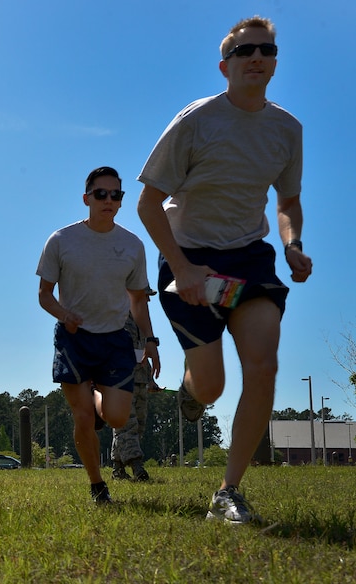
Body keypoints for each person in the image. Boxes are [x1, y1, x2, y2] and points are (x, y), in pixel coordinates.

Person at [137, 16, 312, 524]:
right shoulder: (195, 121)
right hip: (188, 256)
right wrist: (182, 268)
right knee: (210, 387)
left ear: (275, 63)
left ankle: (227, 492)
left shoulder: (287, 128)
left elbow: (289, 200)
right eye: (245, 51)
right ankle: (192, 392)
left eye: (266, 50)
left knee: (263, 361)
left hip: (249, 258)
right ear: (225, 66)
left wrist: (293, 243)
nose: (257, 56)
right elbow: (149, 204)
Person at [37, 166, 160, 504]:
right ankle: (97, 486)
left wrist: (150, 341)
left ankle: (95, 393)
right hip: (73, 339)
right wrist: (65, 315)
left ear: (121, 200)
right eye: (100, 194)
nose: (108, 200)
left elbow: (138, 300)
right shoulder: (61, 241)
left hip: (114, 339)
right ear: (86, 198)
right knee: (83, 418)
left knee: (118, 416)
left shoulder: (132, 245)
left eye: (115, 194)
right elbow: (44, 294)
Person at [111, 286, 162, 482]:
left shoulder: (142, 324)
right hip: (121, 379)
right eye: (144, 297)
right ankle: (138, 467)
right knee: (127, 423)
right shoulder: (119, 318)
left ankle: (117, 468)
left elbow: (144, 354)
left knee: (137, 425)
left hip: (140, 380)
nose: (147, 301)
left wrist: (151, 380)